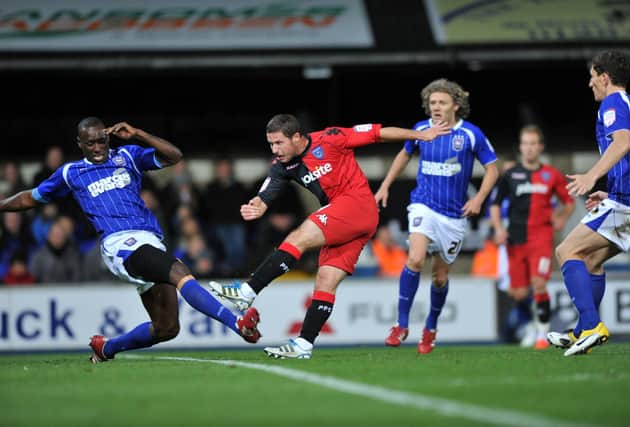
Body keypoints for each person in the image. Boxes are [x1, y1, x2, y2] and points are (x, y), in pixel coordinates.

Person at [0, 117, 261, 363]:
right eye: (89, 143)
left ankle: (106, 348)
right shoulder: (71, 172)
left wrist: (138, 134)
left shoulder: (128, 156)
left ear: (108, 137)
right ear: (79, 144)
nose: (97, 147)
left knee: (167, 328)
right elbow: (30, 197)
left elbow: (174, 156)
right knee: (180, 271)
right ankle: (238, 324)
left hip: (150, 241)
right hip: (119, 245)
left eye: (101, 140)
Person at [209, 113, 451, 359]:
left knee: (298, 237)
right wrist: (259, 204)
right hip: (350, 221)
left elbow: (378, 132)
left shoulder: (331, 138)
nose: (275, 149)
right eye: (271, 144)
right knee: (325, 280)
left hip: (356, 204)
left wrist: (421, 134)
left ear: (296, 137)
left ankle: (247, 291)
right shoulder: (283, 166)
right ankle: (304, 343)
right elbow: (269, 189)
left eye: (279, 143)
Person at [375, 78, 499, 354]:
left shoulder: (470, 134)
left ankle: (430, 326)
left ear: (456, 105)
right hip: (423, 205)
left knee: (439, 277)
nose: (436, 107)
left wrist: (479, 198)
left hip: (454, 216)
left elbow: (492, 168)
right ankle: (401, 324)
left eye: (442, 102)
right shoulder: (420, 129)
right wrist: (385, 185)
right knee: (416, 258)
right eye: (432, 103)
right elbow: (404, 155)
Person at [547, 51, 630, 356]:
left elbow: (623, 143)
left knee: (566, 250)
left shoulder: (614, 103)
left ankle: (591, 326)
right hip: (628, 200)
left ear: (604, 77)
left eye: (591, 77)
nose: (589, 84)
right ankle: (579, 333)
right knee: (591, 261)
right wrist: (610, 192)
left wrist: (591, 176)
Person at [490, 125, 575, 349]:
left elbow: (568, 201)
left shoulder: (551, 175)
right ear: (520, 147)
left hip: (541, 238)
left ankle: (542, 334)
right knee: (517, 292)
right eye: (525, 143)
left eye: (533, 143)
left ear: (540, 147)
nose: (528, 148)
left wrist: (562, 218)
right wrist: (499, 229)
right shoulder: (510, 175)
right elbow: (496, 206)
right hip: (514, 239)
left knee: (538, 283)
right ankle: (533, 322)